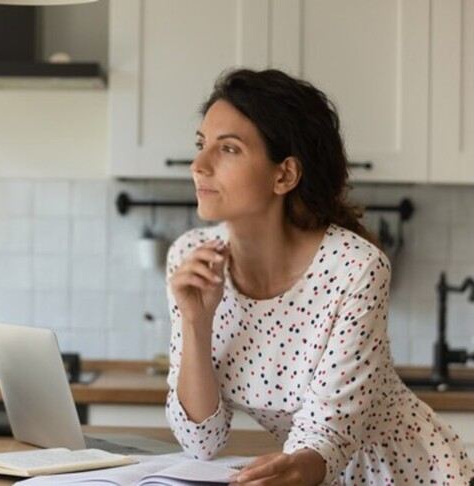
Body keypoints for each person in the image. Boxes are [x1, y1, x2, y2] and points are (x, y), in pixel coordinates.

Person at [165, 68, 474, 485]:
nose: (198, 165)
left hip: (413, 476)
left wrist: (292, 469)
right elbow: (200, 441)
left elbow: (327, 432)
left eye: (229, 149)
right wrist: (195, 323)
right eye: (201, 145)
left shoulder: (355, 268)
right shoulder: (191, 258)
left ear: (285, 175)